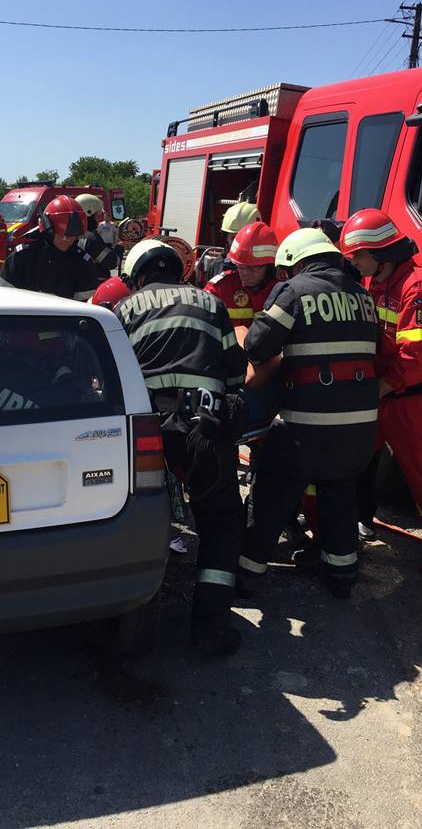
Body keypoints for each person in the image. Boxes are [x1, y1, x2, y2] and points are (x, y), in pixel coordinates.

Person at [116, 239, 247, 655]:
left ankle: (132, 621)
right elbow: (235, 372)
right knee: (222, 519)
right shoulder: (210, 303)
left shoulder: (124, 310)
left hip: (148, 433)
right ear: (178, 268)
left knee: (141, 515)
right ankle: (210, 627)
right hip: (202, 427)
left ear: (137, 275)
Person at [239, 228, 379, 600]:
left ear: (295, 262)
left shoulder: (295, 291)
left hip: (306, 424)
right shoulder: (363, 296)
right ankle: (341, 575)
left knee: (270, 494)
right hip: (360, 428)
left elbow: (256, 345)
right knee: (339, 496)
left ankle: (248, 574)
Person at [339, 208, 422, 577]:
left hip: (415, 400)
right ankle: (356, 524)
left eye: (358, 255)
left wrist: (376, 389)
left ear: (379, 255)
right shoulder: (378, 284)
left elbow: (417, 358)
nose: (354, 262)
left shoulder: (418, 289)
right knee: (354, 461)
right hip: (383, 394)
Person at [0, 195, 96, 301]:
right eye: (64, 235)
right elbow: (1, 298)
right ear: (48, 230)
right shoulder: (22, 256)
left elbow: (85, 307)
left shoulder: (82, 262)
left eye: (74, 236)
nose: (69, 240)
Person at [205, 221, 279, 328]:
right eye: (241, 266)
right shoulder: (220, 288)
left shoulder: (281, 291)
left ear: (269, 267)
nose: (245, 273)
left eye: (253, 268)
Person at [197, 200, 262, 284]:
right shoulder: (218, 265)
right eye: (233, 237)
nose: (237, 244)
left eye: (242, 238)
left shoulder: (265, 271)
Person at [76, 193, 118, 282]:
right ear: (90, 214)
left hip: (81, 281)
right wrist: (117, 250)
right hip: (94, 284)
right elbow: (111, 262)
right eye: (96, 216)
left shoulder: (74, 235)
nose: (98, 219)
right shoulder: (91, 238)